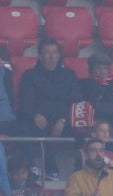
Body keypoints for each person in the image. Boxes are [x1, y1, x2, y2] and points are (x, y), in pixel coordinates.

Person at [17, 40, 80, 178]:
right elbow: (25, 101)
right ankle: (32, 168)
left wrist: (64, 120)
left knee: (82, 129)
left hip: (64, 119)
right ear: (40, 56)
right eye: (47, 52)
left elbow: (76, 101)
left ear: (59, 55)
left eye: (54, 52)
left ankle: (81, 169)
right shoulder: (29, 75)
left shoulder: (69, 75)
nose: (51, 56)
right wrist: (34, 115)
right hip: (38, 119)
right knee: (23, 127)